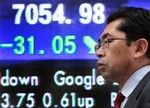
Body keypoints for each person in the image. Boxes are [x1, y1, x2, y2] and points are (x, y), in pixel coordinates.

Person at [95, 7, 150, 108]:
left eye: (107, 41)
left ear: (139, 48)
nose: (98, 52)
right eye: (99, 45)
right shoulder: (129, 96)